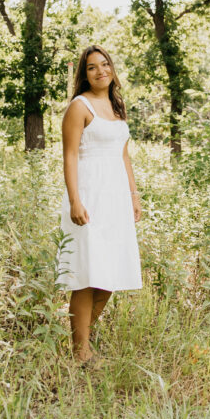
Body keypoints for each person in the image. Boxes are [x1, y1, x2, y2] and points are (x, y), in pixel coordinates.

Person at [57, 44, 142, 365]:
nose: (100, 71)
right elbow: (69, 156)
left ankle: (82, 342)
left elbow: (123, 155)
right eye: (92, 67)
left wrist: (134, 195)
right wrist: (75, 201)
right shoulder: (79, 107)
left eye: (104, 64)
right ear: (84, 74)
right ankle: (80, 353)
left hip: (116, 199)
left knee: (111, 275)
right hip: (90, 196)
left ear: (112, 69)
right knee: (88, 274)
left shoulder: (116, 107)